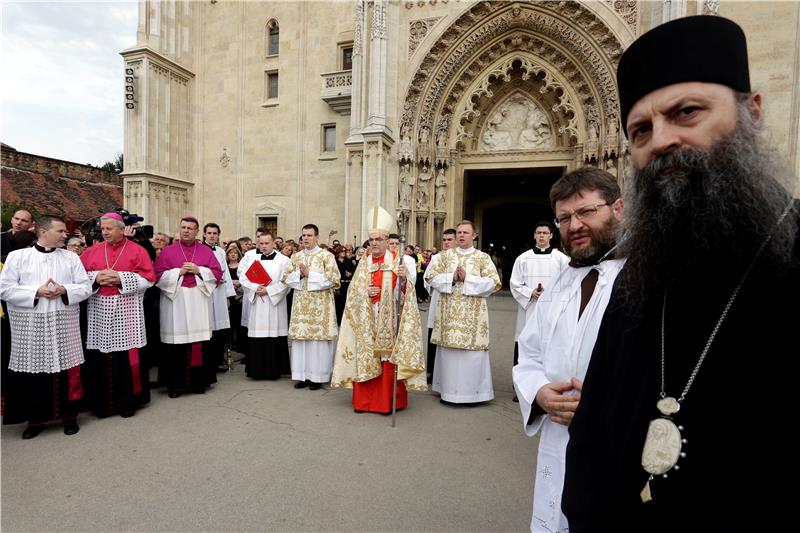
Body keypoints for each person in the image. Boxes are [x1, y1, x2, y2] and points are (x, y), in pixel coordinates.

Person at [562, 16, 800, 532]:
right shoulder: (641, 276)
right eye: (641, 130)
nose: (661, 141)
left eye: (686, 112)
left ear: (752, 113)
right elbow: (592, 437)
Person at [512, 169, 625, 532]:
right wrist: (540, 392)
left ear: (618, 209)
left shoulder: (645, 277)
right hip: (558, 439)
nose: (574, 225)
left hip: (617, 446)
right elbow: (528, 355)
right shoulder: (563, 280)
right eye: (564, 218)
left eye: (586, 212)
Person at [0, 215, 92, 438]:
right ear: (43, 232)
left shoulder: (70, 258)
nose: (65, 235)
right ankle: (36, 421)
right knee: (35, 375)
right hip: (31, 326)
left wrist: (65, 290)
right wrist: (36, 292)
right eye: (60, 231)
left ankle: (69, 417)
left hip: (63, 324)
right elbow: (5, 289)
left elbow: (85, 287)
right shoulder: (18, 257)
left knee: (67, 372)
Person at [331, 207, 427, 413]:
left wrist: (403, 281)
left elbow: (407, 296)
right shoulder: (364, 263)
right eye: (371, 239)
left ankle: (388, 401)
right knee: (366, 355)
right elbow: (353, 293)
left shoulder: (397, 262)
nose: (374, 243)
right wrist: (365, 292)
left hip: (389, 319)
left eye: (378, 239)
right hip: (368, 318)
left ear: (386, 240)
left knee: (387, 357)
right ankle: (365, 402)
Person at [80, 213, 156, 418]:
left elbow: (149, 279)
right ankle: (102, 405)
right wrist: (96, 277)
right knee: (100, 357)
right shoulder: (91, 251)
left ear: (122, 229)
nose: (104, 232)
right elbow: (78, 278)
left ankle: (127, 403)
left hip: (127, 308)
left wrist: (121, 278)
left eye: (109, 228)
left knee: (125, 358)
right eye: (102, 229)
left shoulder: (137, 250)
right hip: (99, 309)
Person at [424, 220, 501, 405]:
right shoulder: (444, 256)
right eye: (459, 232)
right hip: (448, 316)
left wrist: (468, 278)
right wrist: (452, 277)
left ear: (474, 235)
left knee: (471, 356)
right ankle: (447, 393)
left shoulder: (482, 258)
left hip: (473, 319)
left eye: (465, 232)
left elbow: (494, 282)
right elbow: (430, 277)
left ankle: (473, 395)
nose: (461, 235)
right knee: (449, 354)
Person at [154, 216, 223, 397]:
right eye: (183, 227)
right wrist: (179, 272)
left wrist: (199, 270)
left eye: (190, 228)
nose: (186, 231)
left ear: (197, 231)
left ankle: (198, 383)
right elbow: (157, 275)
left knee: (197, 343)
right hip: (175, 301)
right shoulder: (168, 252)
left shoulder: (206, 251)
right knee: (175, 344)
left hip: (198, 299)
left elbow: (216, 273)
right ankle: (175, 386)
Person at [509, 221, 569, 401]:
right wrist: (530, 293)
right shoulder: (523, 258)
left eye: (545, 233)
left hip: (553, 310)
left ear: (551, 235)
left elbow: (568, 283)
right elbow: (515, 282)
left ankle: (550, 385)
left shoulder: (561, 259)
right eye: (538, 233)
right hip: (529, 309)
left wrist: (553, 297)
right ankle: (520, 389)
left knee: (551, 346)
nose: (542, 236)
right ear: (534, 236)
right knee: (525, 345)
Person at [281, 224, 340, 390]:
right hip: (301, 306)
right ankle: (303, 376)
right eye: (304, 235)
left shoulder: (326, 256)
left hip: (321, 306)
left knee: (317, 342)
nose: (306, 238)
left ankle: (318, 377)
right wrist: (299, 274)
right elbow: (285, 278)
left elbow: (334, 278)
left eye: (309, 235)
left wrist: (310, 275)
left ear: (316, 237)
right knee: (302, 341)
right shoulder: (296, 257)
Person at [238, 232, 291, 380]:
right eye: (261, 243)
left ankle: (275, 370)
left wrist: (269, 290)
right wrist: (255, 287)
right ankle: (256, 371)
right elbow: (243, 276)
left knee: (274, 335)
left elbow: (287, 282)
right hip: (258, 303)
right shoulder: (251, 258)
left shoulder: (284, 260)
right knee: (257, 336)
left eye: (267, 243)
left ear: (273, 243)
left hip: (275, 303)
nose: (264, 246)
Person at [422, 228, 455, 383]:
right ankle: (432, 371)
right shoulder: (436, 258)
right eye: (444, 240)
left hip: (458, 303)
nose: (446, 243)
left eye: (449, 239)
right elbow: (427, 278)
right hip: (438, 300)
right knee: (434, 334)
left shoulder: (462, 258)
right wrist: (446, 282)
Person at [203, 223, 235, 373]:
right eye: (209, 233)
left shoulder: (221, 252)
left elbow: (226, 272)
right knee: (207, 328)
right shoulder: (199, 250)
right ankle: (207, 362)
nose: (212, 236)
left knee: (219, 329)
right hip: (206, 292)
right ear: (204, 234)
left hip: (220, 292)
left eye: (215, 233)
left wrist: (228, 294)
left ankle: (218, 360)